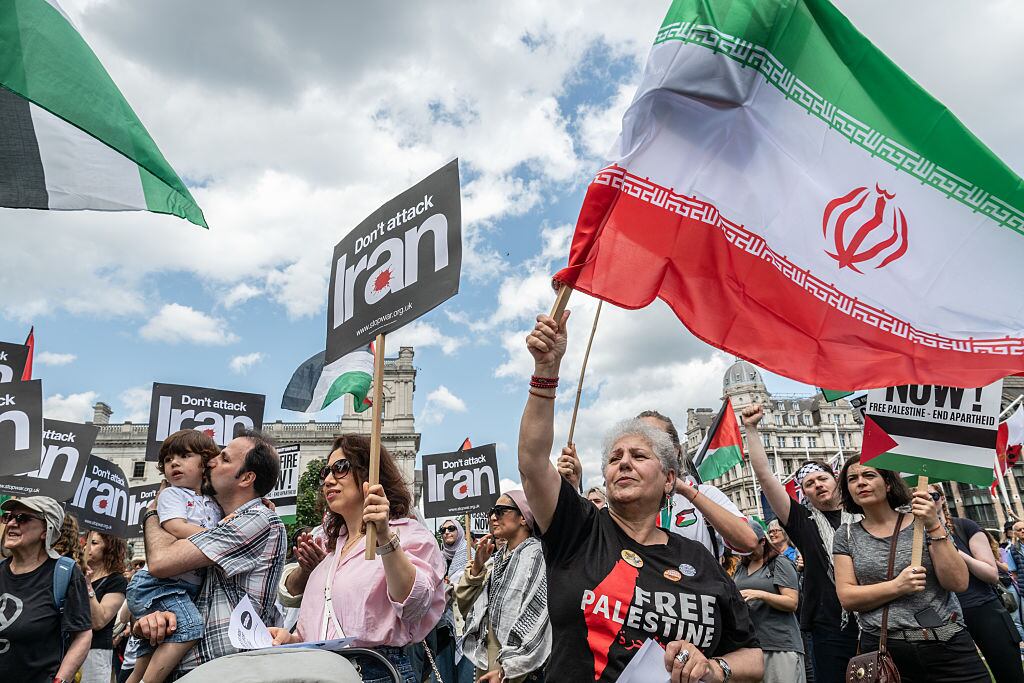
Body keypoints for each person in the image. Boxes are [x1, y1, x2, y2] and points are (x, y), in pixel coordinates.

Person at [520, 311, 763, 682]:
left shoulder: (697, 558)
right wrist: (546, 371)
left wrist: (715, 668)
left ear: (669, 479)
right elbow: (533, 461)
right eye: (615, 458)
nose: (624, 464)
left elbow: (754, 658)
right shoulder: (579, 530)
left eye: (639, 456)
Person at [270, 434, 445, 683]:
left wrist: (384, 536)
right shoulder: (329, 552)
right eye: (325, 472)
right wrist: (292, 640)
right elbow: (317, 631)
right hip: (317, 672)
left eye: (340, 468)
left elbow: (413, 604)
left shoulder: (408, 534)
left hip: (373, 672)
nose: (329, 480)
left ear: (369, 474)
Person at [134, 430, 287, 678]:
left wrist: (154, 511)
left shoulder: (257, 518)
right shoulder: (216, 516)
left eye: (224, 459)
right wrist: (152, 620)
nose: (211, 461)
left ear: (247, 478)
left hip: (226, 669)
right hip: (202, 666)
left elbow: (160, 562)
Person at [832, 456, 988, 682]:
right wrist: (898, 586)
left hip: (947, 646)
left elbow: (958, 582)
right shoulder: (846, 535)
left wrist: (933, 525)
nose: (860, 482)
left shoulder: (922, 522)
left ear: (887, 483)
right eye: (852, 478)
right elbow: (847, 597)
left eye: (869, 475)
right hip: (886, 651)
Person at [742, 402, 857, 682]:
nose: (818, 485)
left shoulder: (863, 514)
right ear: (803, 494)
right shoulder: (803, 521)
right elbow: (767, 479)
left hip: (875, 618)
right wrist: (751, 429)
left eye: (822, 478)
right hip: (830, 624)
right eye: (809, 483)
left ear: (836, 480)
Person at [558, 412, 759, 558]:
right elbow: (580, 542)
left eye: (654, 440)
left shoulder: (704, 494)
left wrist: (687, 491)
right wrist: (572, 488)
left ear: (675, 451)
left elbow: (748, 542)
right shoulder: (622, 504)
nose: (628, 461)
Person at [126, 429, 224, 683]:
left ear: (206, 463)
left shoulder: (212, 501)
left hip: (180, 588)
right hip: (159, 585)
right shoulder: (172, 494)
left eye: (184, 456)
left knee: (148, 654)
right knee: (190, 627)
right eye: (168, 460)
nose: (174, 463)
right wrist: (218, 536)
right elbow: (175, 526)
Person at [932, 484, 1024, 683]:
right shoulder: (913, 538)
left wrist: (955, 553)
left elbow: (991, 574)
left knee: (1010, 675)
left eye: (934, 495)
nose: (929, 500)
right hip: (945, 619)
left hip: (984, 609)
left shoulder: (965, 526)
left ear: (942, 498)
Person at [456, 491, 550, 683]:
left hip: (518, 671)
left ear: (523, 518)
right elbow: (465, 608)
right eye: (492, 511)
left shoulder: (536, 557)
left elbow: (535, 620)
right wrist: (477, 567)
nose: (492, 517)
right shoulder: (496, 560)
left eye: (500, 511)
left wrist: (508, 670)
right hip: (488, 664)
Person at [0, 496, 92, 682]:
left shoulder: (65, 573)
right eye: (8, 517)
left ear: (46, 530)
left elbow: (82, 635)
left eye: (22, 518)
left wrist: (60, 680)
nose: (11, 523)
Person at [733, 521, 805, 682]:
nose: (746, 553)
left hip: (779, 645)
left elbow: (792, 602)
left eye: (749, 548)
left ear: (762, 542)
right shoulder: (741, 567)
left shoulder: (779, 562)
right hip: (751, 647)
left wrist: (760, 594)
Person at [81, 530, 128, 683]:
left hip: (94, 652)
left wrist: (88, 586)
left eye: (94, 543)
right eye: (87, 542)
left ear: (109, 548)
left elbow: (99, 621)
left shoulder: (116, 581)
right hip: (69, 648)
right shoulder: (78, 574)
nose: (86, 547)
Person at [434, 518, 473, 683]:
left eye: (451, 528)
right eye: (443, 530)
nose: (447, 533)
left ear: (460, 531)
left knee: (466, 676)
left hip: (466, 626)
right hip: (442, 627)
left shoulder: (471, 553)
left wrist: (453, 586)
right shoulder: (437, 558)